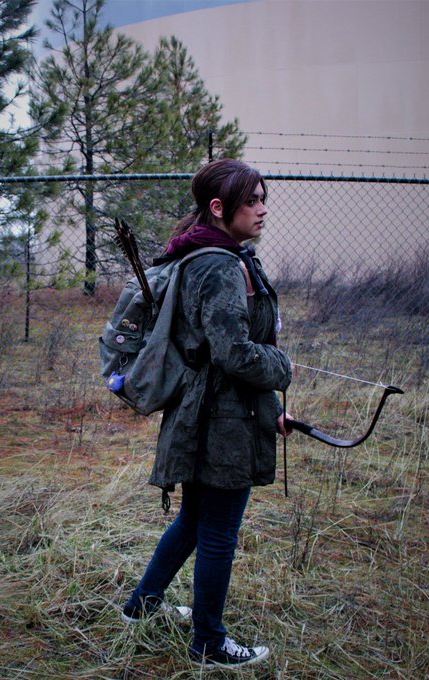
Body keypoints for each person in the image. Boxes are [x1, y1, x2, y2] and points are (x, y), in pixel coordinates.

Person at [121, 159, 293, 669]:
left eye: (263, 199)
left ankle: (142, 605)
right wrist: (283, 368)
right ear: (219, 208)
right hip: (221, 421)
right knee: (219, 531)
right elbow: (234, 353)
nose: (262, 209)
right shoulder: (218, 266)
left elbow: (230, 349)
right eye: (251, 201)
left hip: (217, 412)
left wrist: (272, 406)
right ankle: (209, 643)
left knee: (196, 520)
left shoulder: (217, 255)